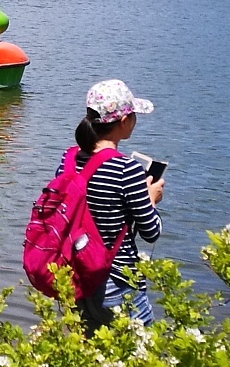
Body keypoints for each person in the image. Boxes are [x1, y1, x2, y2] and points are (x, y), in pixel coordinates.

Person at [63, 78, 164, 329]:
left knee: (93, 356)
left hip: (77, 279)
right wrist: (150, 199)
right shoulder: (126, 168)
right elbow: (151, 232)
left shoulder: (69, 160)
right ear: (123, 122)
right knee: (141, 357)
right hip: (117, 281)